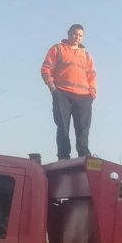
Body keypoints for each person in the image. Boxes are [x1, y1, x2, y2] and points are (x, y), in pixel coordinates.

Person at [41, 24, 97, 160]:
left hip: (83, 96)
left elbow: (92, 75)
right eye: (75, 34)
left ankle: (84, 155)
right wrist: (53, 89)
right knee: (63, 127)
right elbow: (46, 69)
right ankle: (63, 156)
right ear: (68, 33)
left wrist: (92, 93)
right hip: (62, 93)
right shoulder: (58, 49)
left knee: (83, 128)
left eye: (80, 35)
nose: (77, 37)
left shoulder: (86, 55)